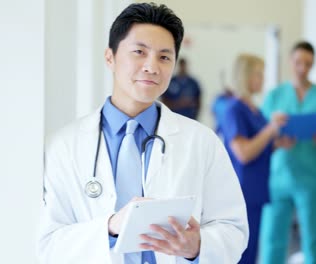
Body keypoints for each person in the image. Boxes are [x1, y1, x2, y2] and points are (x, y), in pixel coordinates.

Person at [39, 3, 248, 264]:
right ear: (110, 58)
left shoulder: (202, 142)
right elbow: (46, 243)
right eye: (139, 52)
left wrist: (197, 246)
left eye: (164, 57)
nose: (152, 67)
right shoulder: (63, 146)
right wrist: (111, 226)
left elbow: (234, 229)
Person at [220, 54, 287, 264]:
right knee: (241, 253)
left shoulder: (255, 110)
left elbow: (260, 145)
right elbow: (244, 153)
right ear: (245, 77)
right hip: (242, 191)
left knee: (252, 251)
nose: (263, 79)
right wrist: (271, 129)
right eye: (259, 74)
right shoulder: (233, 110)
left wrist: (278, 143)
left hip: (256, 189)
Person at [259, 41, 316, 264]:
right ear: (291, 63)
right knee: (273, 236)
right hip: (278, 177)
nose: (303, 68)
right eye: (298, 63)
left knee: (312, 237)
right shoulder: (275, 96)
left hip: (309, 176)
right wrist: (276, 138)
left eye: (308, 64)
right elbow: (261, 138)